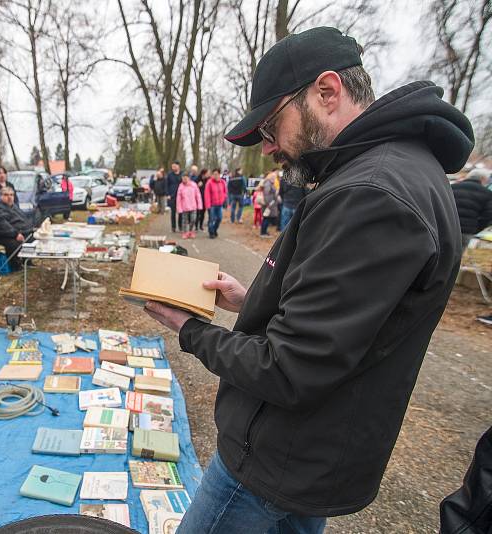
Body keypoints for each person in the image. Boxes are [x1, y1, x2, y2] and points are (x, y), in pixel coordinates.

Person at [142, 26, 472, 534]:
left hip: (276, 458)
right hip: (307, 454)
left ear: (326, 91)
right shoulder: (385, 171)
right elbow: (345, 324)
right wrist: (251, 299)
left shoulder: (372, 192)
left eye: (273, 127)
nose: (269, 148)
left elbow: (288, 368)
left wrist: (191, 330)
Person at [0, 186, 34, 271]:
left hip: (12, 233)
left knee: (31, 237)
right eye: (6, 195)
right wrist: (16, 234)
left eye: (11, 195)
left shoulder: (12, 206)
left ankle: (27, 261)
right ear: (0, 196)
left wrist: (30, 228)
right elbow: (2, 225)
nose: (9, 197)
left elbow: (23, 219)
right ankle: (15, 265)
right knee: (15, 244)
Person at [451, 169, 492, 249]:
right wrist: (475, 229)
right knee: (455, 258)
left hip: (446, 228)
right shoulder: (487, 193)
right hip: (466, 232)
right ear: (483, 179)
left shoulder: (453, 187)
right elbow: (488, 216)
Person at [175, 173, 202, 239]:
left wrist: (200, 205)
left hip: (193, 206)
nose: (184, 179)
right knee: (184, 221)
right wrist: (179, 208)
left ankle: (190, 231)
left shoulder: (194, 185)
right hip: (184, 207)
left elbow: (198, 195)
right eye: (183, 178)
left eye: (186, 178)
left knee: (193, 219)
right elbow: (178, 198)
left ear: (189, 178)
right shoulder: (180, 186)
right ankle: (185, 232)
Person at [204, 168, 227, 238]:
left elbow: (225, 192)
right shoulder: (209, 183)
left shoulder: (222, 182)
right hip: (212, 205)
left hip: (219, 204)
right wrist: (208, 205)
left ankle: (214, 229)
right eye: (214, 174)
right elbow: (207, 194)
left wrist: (224, 199)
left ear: (219, 174)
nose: (215, 176)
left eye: (217, 174)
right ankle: (211, 232)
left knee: (219, 218)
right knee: (212, 219)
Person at [258, 174, 279, 238]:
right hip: (268, 205)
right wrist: (269, 203)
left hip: (269, 204)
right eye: (273, 177)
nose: (274, 179)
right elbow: (266, 194)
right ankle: (263, 233)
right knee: (266, 218)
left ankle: (264, 232)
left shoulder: (269, 183)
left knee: (266, 218)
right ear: (270, 177)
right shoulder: (268, 183)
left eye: (274, 177)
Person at [166, 161, 183, 232]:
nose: (173, 168)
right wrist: (168, 194)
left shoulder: (182, 174)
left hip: (181, 195)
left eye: (175, 166)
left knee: (181, 212)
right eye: (172, 167)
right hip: (172, 196)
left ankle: (180, 226)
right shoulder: (170, 175)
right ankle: (173, 227)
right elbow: (166, 185)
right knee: (173, 212)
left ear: (178, 166)